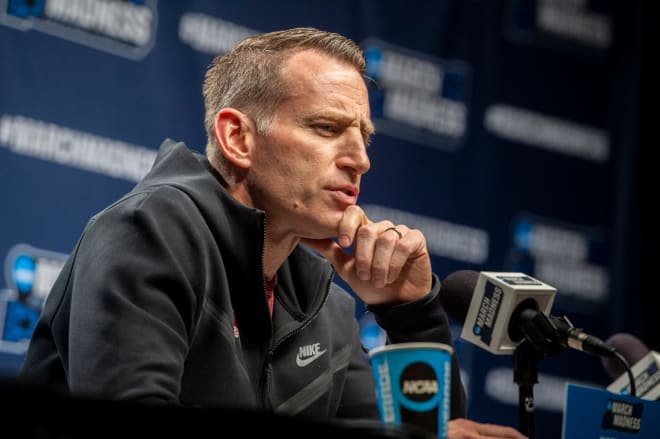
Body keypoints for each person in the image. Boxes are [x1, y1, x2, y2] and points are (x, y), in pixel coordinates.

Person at [18, 27, 525, 438]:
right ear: (238, 137)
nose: (360, 160)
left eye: (364, 137)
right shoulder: (149, 232)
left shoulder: (322, 302)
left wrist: (410, 314)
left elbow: (426, 431)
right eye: (327, 128)